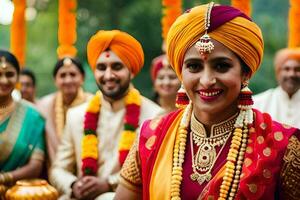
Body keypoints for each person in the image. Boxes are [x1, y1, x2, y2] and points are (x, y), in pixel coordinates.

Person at [115, 3, 300, 200]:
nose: (206, 80)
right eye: (194, 67)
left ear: (245, 73)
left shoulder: (283, 145)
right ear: (181, 72)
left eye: (221, 66)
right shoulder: (150, 136)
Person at [50, 30, 163, 200]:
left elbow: (150, 170)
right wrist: (74, 185)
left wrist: (108, 183)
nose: (108, 75)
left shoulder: (153, 116)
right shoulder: (76, 116)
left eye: (117, 67)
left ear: (131, 71)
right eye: (101, 68)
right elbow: (58, 168)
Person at [0, 50, 46, 190]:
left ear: (18, 77)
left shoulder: (33, 116)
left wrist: (4, 178)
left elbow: (36, 166)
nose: (4, 80)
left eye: (10, 74)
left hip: (14, 191)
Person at [37, 57, 92, 164]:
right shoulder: (44, 105)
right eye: (62, 75)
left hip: (87, 168)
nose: (68, 80)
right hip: (53, 170)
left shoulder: (92, 104)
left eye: (73, 74)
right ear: (55, 80)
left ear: (82, 78)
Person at [253, 48, 300, 128]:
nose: (291, 74)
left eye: (297, 69)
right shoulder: (258, 102)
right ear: (278, 73)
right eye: (286, 69)